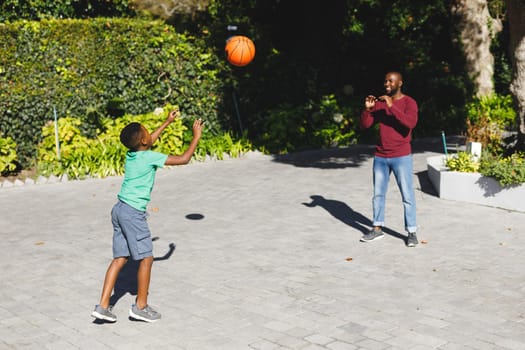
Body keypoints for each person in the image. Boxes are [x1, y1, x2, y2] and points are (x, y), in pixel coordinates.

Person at [91, 109, 204, 322]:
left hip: (119, 209)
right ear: (143, 140)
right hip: (133, 213)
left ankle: (103, 305)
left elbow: (148, 139)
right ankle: (140, 307)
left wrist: (167, 122)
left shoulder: (132, 154)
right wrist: (196, 136)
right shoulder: (150, 157)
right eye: (146, 132)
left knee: (120, 258)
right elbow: (184, 159)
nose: (150, 134)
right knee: (146, 258)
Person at [359, 71, 419, 247]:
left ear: (399, 83)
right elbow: (365, 125)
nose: (387, 84)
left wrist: (392, 106)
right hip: (381, 156)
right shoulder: (380, 103)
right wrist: (368, 109)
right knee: (378, 195)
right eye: (385, 81)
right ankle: (377, 229)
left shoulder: (409, 102)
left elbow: (410, 123)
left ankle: (411, 232)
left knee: (407, 195)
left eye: (391, 81)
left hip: (401, 156)